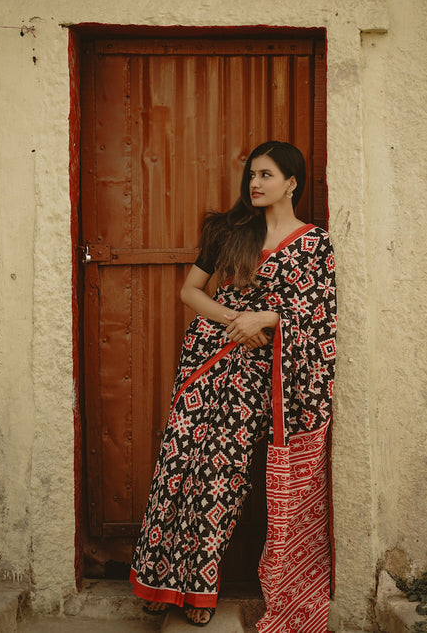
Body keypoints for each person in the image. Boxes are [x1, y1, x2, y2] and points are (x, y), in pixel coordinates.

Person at [130, 141, 336, 631]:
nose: (255, 183)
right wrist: (236, 320)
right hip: (207, 363)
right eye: (251, 175)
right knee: (177, 466)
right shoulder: (231, 232)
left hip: (257, 377)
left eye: (266, 175)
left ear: (292, 183)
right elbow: (189, 291)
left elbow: (320, 316)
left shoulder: (315, 244)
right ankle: (160, 582)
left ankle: (199, 587)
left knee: (222, 478)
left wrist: (268, 317)